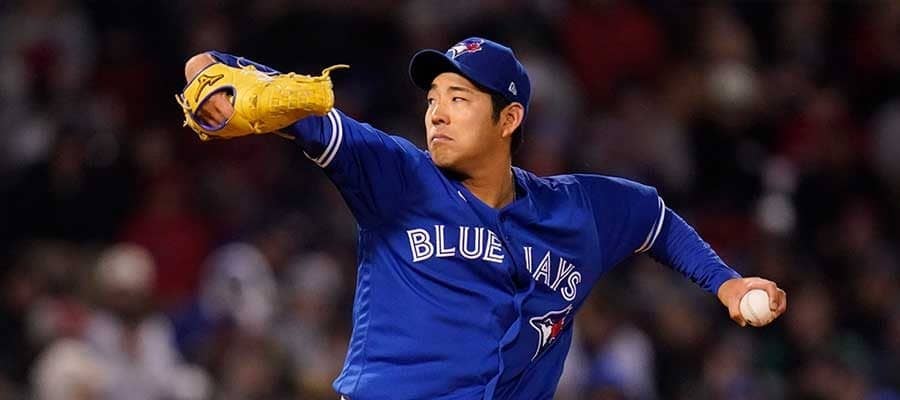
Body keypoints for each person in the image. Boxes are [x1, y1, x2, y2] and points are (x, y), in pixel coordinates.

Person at [181, 37, 787, 400]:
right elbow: (238, 82)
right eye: (432, 100)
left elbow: (655, 220)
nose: (437, 114)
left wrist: (727, 284)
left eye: (459, 99)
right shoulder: (397, 175)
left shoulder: (577, 210)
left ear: (509, 119)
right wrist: (213, 77)